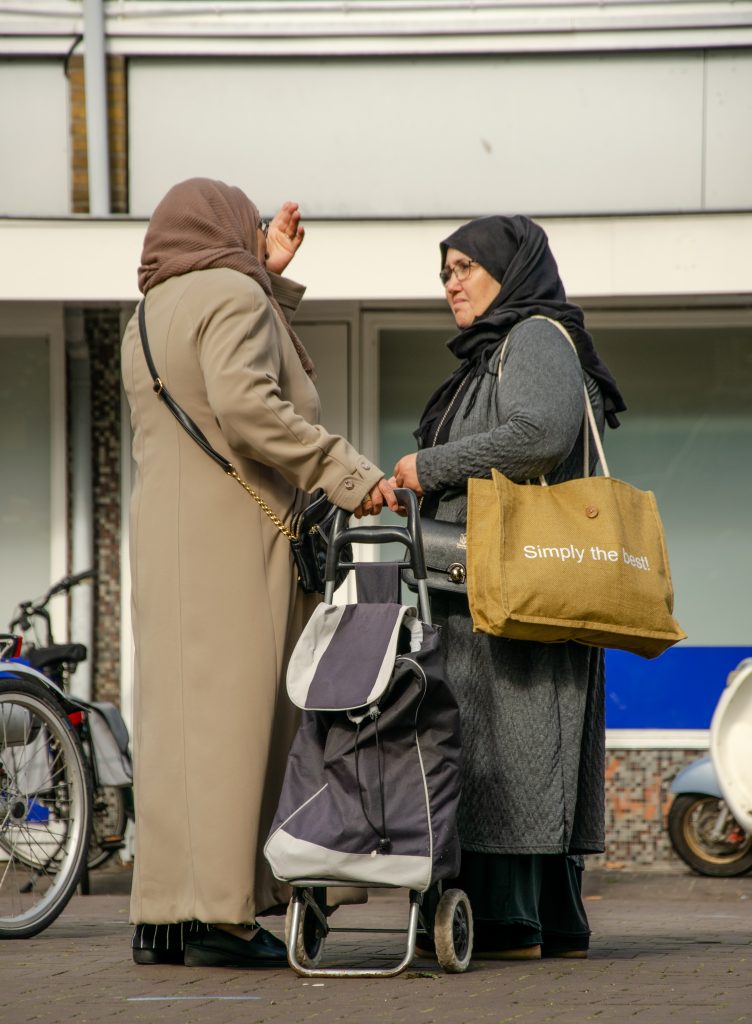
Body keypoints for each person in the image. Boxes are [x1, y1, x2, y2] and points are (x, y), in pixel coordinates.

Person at [121, 177, 397, 968]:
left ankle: (164, 913)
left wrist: (265, 273)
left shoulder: (146, 314)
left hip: (167, 543)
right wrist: (344, 470)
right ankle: (223, 915)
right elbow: (248, 407)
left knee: (177, 732)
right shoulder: (235, 299)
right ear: (228, 229)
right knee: (236, 732)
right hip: (237, 541)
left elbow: (210, 376)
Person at [391, 215, 626, 960]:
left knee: (515, 745)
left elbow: (540, 435)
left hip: (525, 604)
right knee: (503, 744)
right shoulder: (491, 353)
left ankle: (510, 920)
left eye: (466, 267)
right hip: (495, 600)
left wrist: (429, 468)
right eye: (445, 271)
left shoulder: (530, 338)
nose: (451, 283)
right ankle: (529, 917)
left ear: (510, 270)